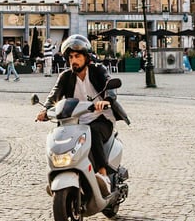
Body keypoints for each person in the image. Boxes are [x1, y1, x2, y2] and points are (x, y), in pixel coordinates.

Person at [36, 35, 130, 196]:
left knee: (92, 131)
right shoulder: (65, 76)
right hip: (75, 122)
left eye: (77, 56)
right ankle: (60, 172)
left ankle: (103, 174)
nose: (74, 60)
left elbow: (110, 86)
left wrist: (106, 100)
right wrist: (45, 109)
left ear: (86, 57)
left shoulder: (98, 70)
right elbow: (54, 95)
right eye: (71, 57)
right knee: (58, 136)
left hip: (101, 119)